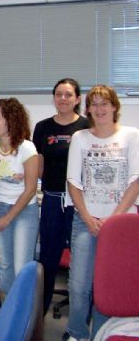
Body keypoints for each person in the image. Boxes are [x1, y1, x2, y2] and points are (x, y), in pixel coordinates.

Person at [65, 85, 139, 341]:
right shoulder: (80, 138)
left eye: (104, 103)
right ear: (87, 109)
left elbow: (135, 181)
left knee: (109, 288)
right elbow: (73, 182)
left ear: (115, 107)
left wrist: (114, 220)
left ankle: (101, 334)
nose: (99, 109)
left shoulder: (131, 135)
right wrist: (87, 217)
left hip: (121, 224)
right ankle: (76, 333)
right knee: (78, 286)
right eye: (94, 104)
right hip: (87, 221)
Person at [32, 78, 89, 314]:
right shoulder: (43, 127)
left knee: (82, 263)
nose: (63, 99)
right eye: (58, 94)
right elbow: (39, 165)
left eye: (68, 95)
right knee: (47, 258)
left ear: (77, 99)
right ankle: (39, 318)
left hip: (80, 203)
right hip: (53, 200)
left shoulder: (87, 126)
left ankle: (79, 323)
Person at [0, 98, 39, 296]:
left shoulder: (27, 148)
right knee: (4, 268)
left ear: (11, 119)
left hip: (23, 210)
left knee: (21, 268)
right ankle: (3, 316)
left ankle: (23, 320)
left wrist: (8, 217)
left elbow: (31, 189)